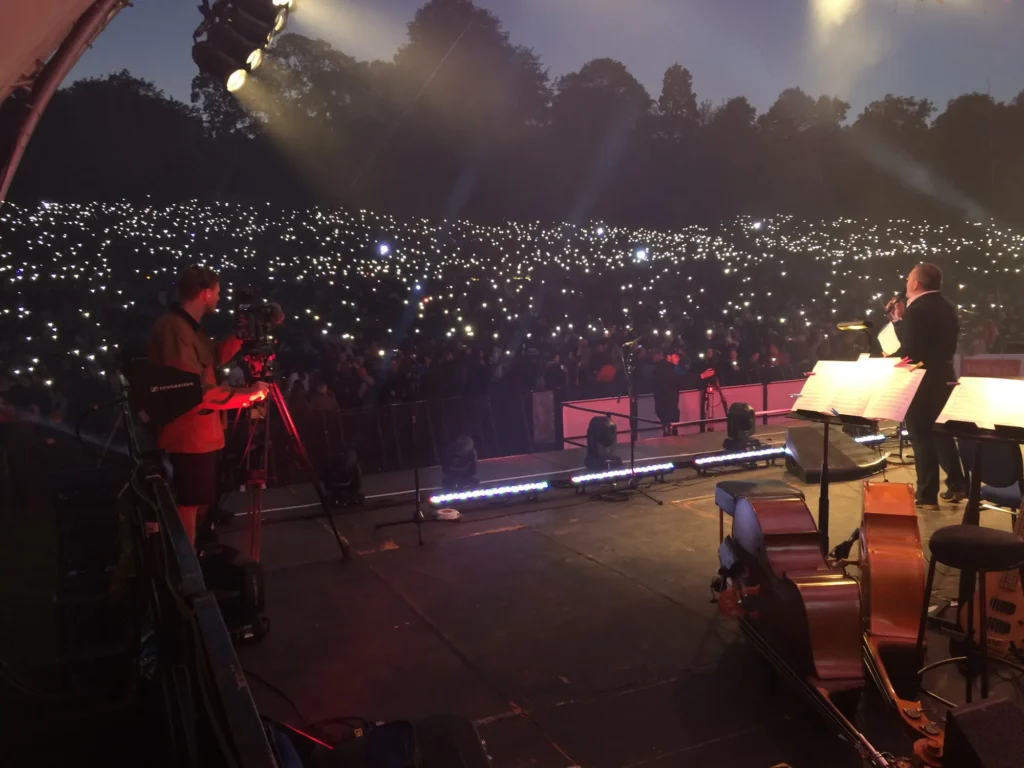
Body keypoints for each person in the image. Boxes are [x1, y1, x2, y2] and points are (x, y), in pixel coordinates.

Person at [148, 265, 268, 545]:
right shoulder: (173, 330)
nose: (219, 297)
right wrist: (248, 394)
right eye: (217, 292)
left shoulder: (189, 329)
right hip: (187, 437)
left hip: (201, 435)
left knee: (199, 502)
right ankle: (185, 570)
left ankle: (193, 556)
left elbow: (212, 357)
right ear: (204, 292)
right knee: (188, 505)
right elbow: (193, 391)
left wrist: (241, 336)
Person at [887, 262, 967, 510]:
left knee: (921, 438)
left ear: (916, 284)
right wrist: (901, 320)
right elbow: (928, 342)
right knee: (941, 433)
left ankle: (926, 495)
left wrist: (889, 357)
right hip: (944, 375)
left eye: (908, 278)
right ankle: (957, 484)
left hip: (921, 381)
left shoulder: (917, 309)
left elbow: (911, 352)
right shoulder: (947, 306)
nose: (906, 283)